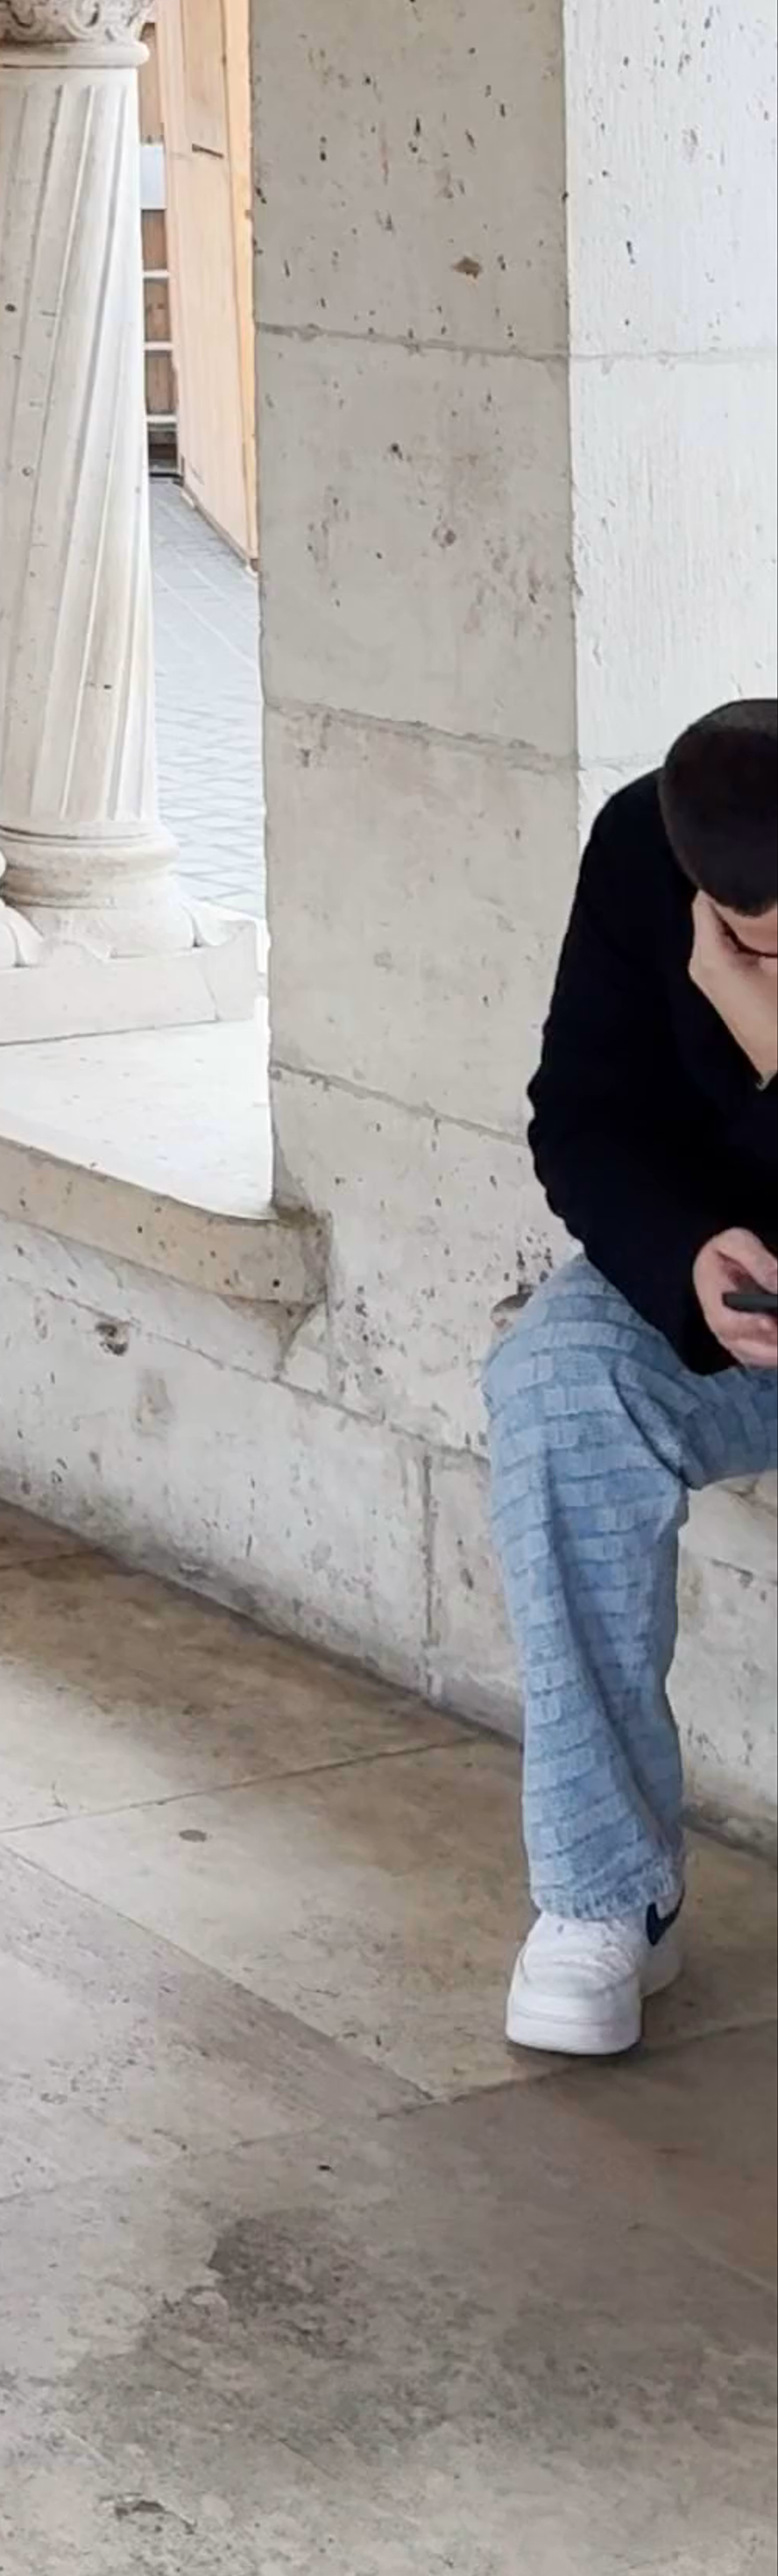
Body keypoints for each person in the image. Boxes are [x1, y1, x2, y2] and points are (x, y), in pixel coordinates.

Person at [485, 694, 778, 2053]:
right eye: (745, 942)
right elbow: (580, 1114)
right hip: (738, 1312)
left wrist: (762, 1023)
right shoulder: (636, 852)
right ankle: (608, 1897)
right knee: (555, 1379)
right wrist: (686, 1258)